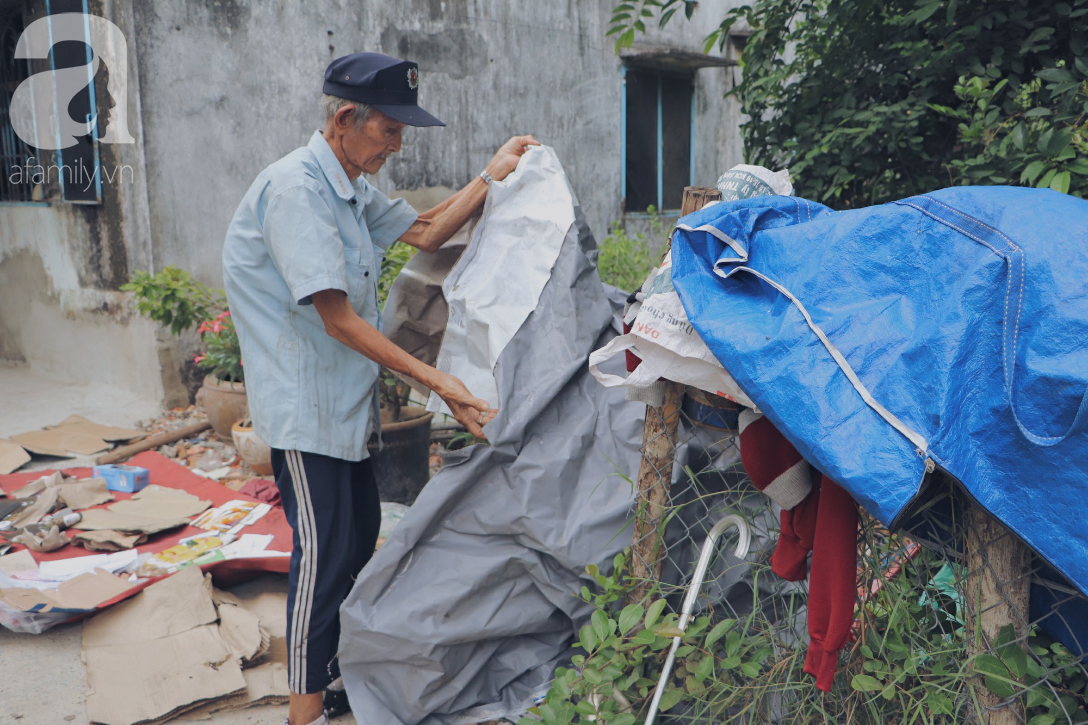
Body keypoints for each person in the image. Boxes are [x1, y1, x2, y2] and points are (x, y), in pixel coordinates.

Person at [221, 51, 538, 725]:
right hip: (305, 409)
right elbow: (336, 318)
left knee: (358, 540)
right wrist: (440, 381)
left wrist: (492, 174)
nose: (397, 145)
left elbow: (424, 230)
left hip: (343, 405)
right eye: (389, 130)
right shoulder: (298, 190)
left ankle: (338, 680)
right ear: (345, 118)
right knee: (322, 556)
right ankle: (303, 712)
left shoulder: (346, 183)